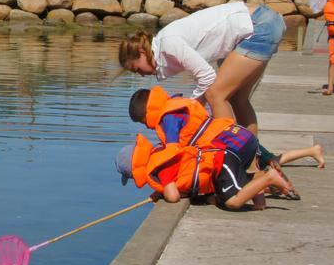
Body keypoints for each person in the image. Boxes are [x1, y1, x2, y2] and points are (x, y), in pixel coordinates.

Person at [118, 1, 286, 135]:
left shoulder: (168, 44)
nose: (140, 75)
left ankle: (231, 157)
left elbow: (207, 77)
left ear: (141, 52)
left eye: (136, 69)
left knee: (216, 94)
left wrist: (190, 107)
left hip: (259, 26)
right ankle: (251, 161)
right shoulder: (164, 46)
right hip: (261, 22)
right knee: (236, 99)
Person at [117, 87, 293, 210]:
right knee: (225, 186)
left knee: (230, 199)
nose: (148, 127)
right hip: (238, 135)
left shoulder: (168, 120)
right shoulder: (175, 105)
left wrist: (163, 186)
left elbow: (173, 152)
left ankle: (268, 179)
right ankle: (261, 199)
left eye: (143, 122)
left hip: (228, 145)